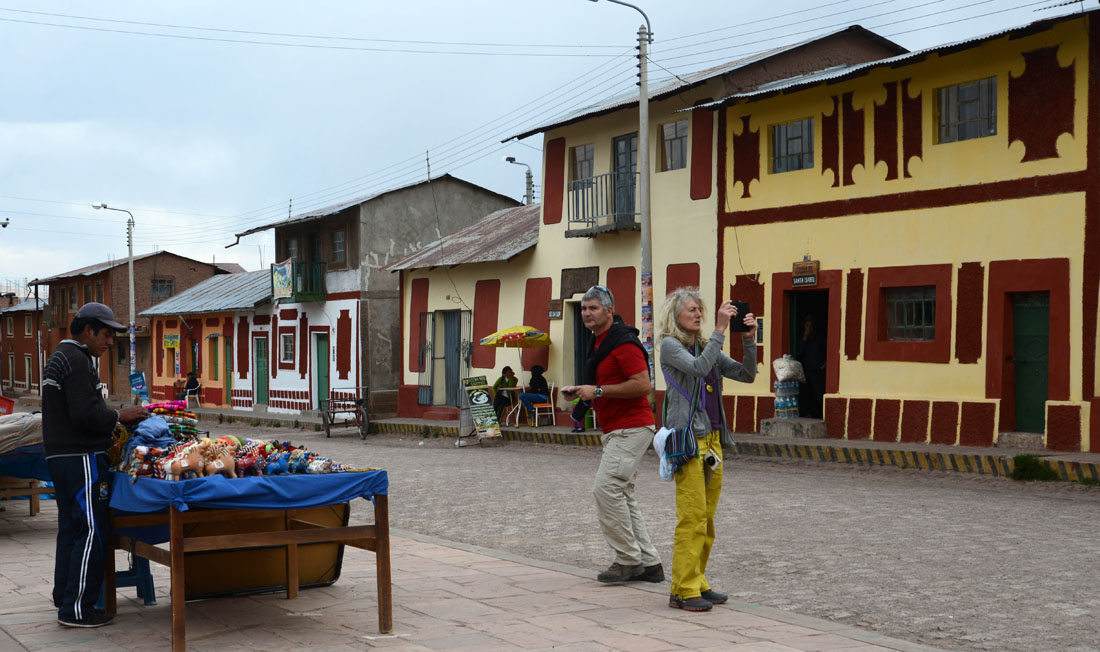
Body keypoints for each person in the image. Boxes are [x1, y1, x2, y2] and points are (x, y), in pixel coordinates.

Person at [42, 302, 148, 628]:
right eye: (106, 335)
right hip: (81, 457)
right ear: (88, 331)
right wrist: (119, 415)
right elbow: (86, 416)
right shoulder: (76, 360)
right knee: (90, 531)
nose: (110, 342)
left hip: (61, 458)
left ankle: (65, 597)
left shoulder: (60, 356)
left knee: (71, 530)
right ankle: (77, 609)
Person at [658, 288, 757, 612]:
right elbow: (699, 368)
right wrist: (720, 329)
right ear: (675, 315)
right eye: (691, 310)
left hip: (713, 439)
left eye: (700, 309)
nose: (698, 314)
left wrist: (749, 340)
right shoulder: (671, 346)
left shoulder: (705, 346)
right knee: (692, 516)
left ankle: (697, 580)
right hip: (689, 440)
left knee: (707, 517)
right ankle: (682, 589)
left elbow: (746, 374)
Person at [562, 285, 663, 584]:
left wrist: (597, 391)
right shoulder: (599, 342)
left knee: (605, 490)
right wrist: (583, 393)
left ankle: (627, 560)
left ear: (609, 310)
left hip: (631, 427)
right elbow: (603, 385)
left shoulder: (623, 343)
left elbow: (643, 385)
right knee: (622, 495)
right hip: (617, 428)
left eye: (593, 308)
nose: (587, 313)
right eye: (583, 308)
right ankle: (649, 563)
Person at [797, 314, 826, 419]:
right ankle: (808, 413)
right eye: (807, 325)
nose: (808, 328)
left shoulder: (819, 337)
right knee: (806, 394)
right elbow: (799, 352)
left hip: (817, 371)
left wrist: (824, 364)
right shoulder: (802, 337)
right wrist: (804, 338)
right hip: (806, 370)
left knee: (819, 393)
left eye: (810, 325)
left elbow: (828, 350)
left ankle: (822, 414)